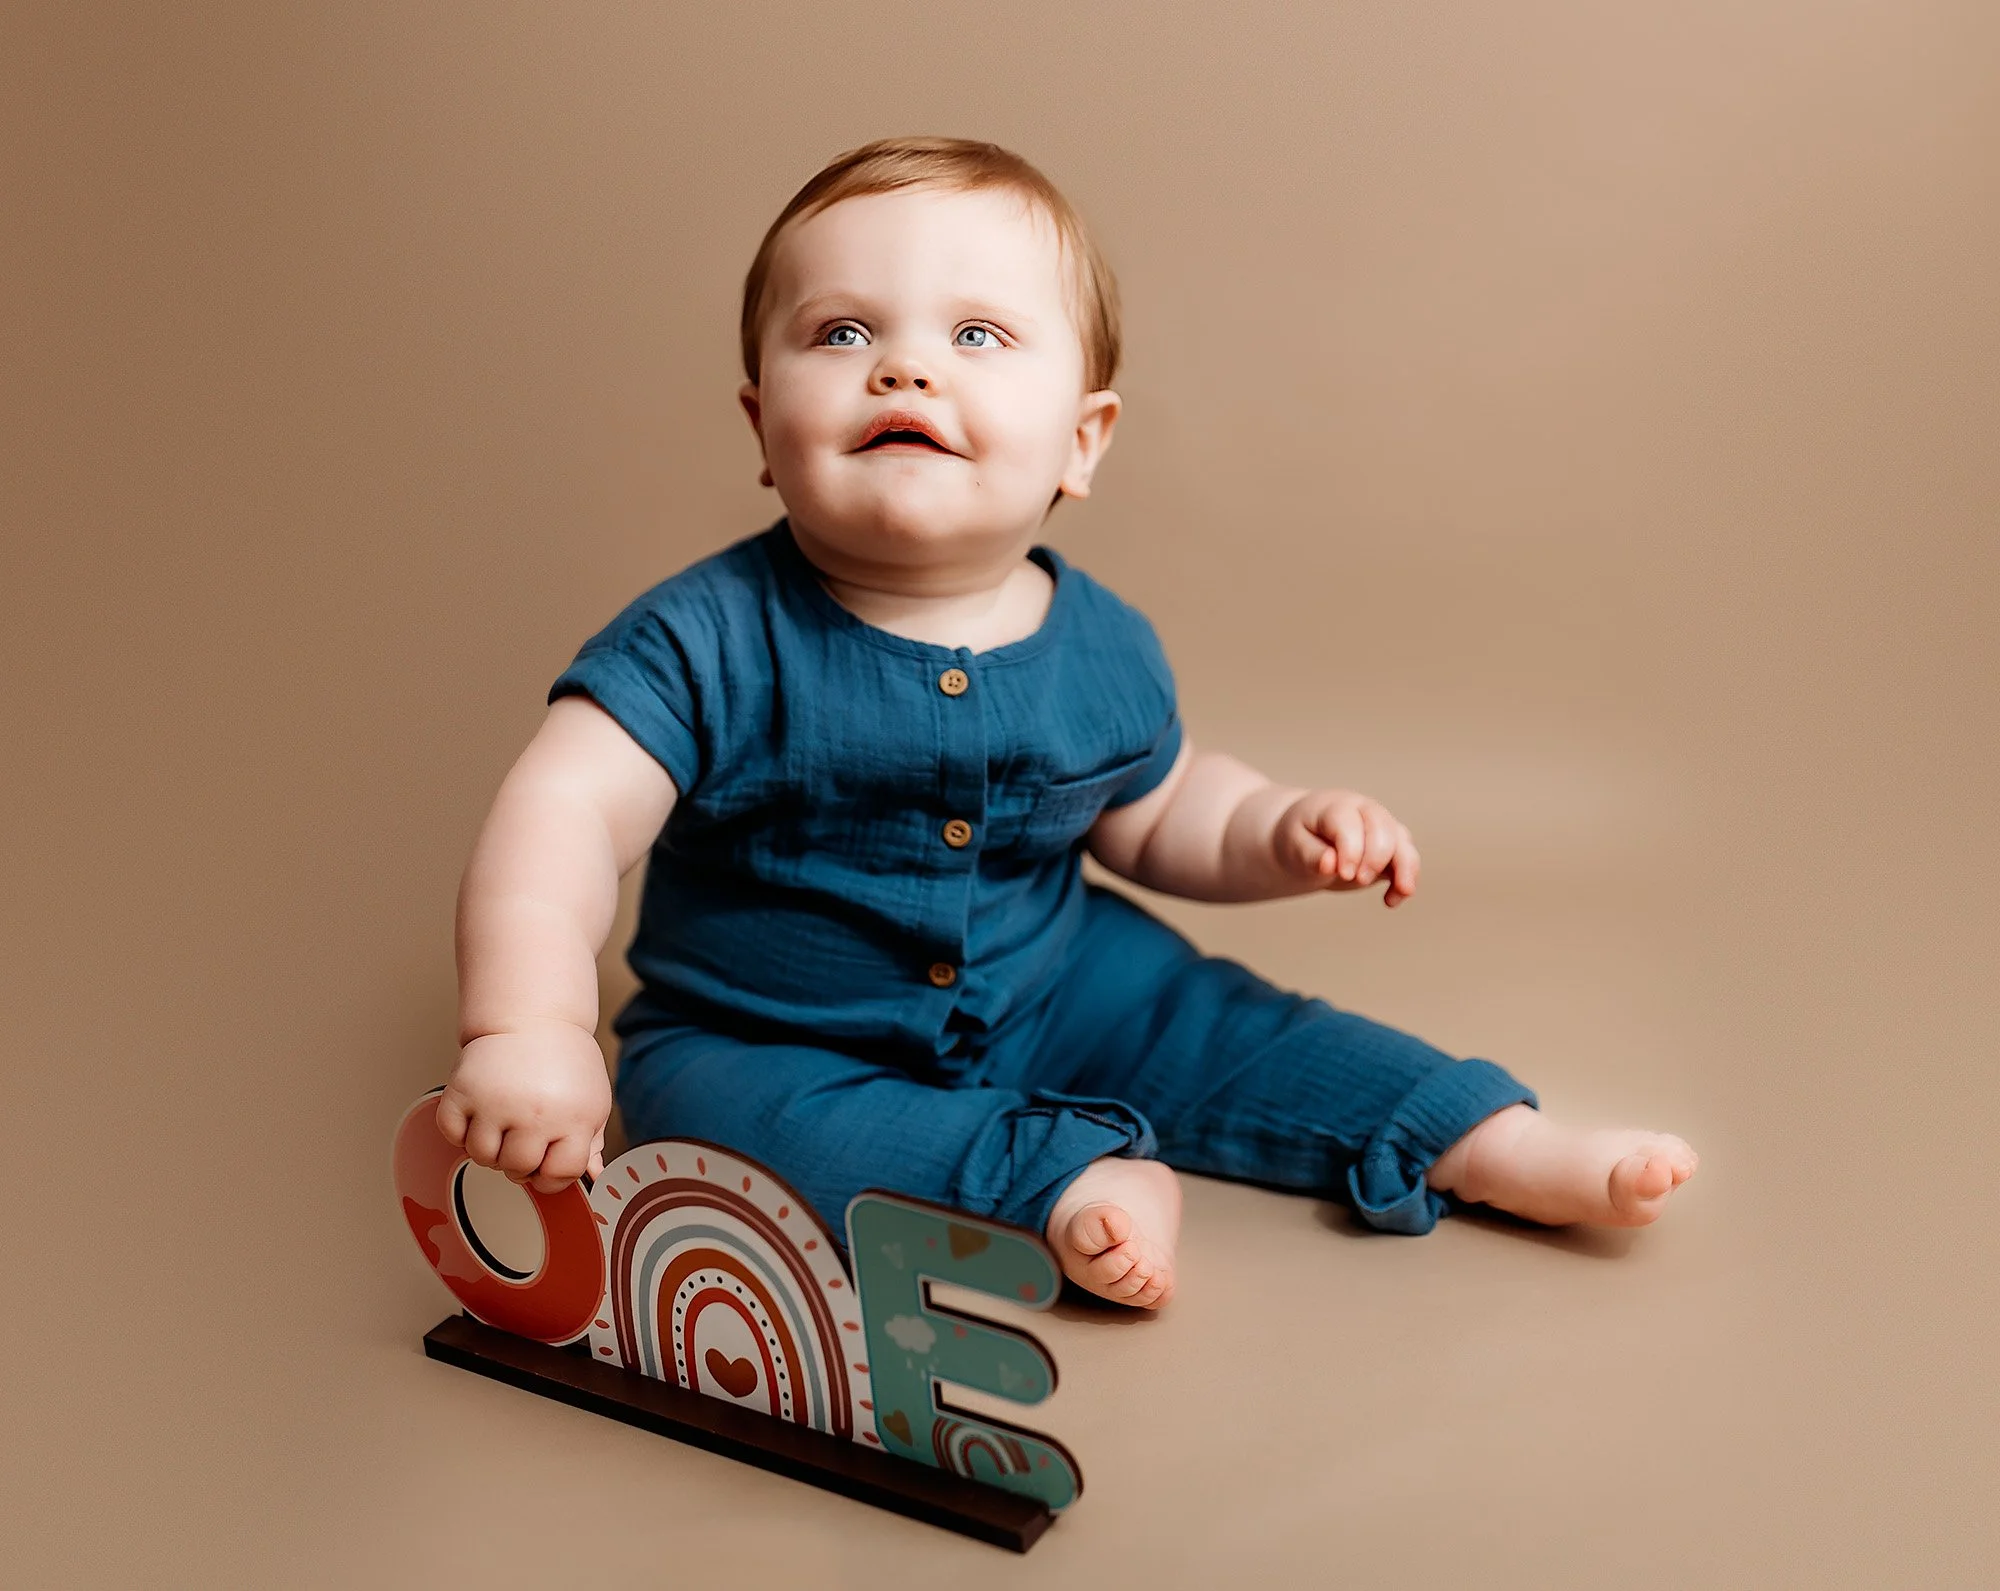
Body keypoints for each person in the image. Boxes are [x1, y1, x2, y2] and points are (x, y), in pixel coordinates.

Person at [442, 137, 1698, 1310]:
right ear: (761, 424)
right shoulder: (705, 636)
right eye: (840, 333)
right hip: (764, 1037)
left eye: (977, 332)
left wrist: (1275, 827)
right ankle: (1064, 1180)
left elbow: (1158, 811)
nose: (904, 366)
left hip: (1055, 982)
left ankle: (1473, 1135)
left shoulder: (1098, 640)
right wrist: (529, 1027)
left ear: (1080, 441)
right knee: (698, 1132)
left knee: (1228, 1022)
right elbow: (560, 812)